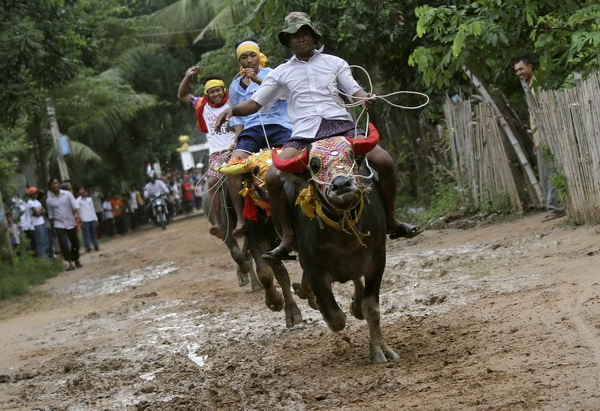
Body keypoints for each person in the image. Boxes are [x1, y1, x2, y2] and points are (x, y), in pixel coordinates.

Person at [216, 12, 419, 260]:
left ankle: (391, 221)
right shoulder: (280, 72)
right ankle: (288, 237)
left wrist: (365, 98)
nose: (300, 40)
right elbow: (255, 104)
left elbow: (354, 91)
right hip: (304, 135)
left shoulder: (335, 62)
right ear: (288, 41)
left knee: (384, 161)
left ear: (313, 36)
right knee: (272, 177)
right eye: (294, 36)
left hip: (342, 127)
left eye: (304, 34)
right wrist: (232, 110)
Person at [225, 38, 293, 237]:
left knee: (301, 156)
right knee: (232, 167)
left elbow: (282, 94)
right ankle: (240, 219)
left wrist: (256, 80)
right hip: (252, 130)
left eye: (252, 55)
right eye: (244, 57)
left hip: (280, 125)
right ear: (240, 60)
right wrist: (238, 139)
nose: (249, 60)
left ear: (259, 56)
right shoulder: (235, 85)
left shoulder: (272, 73)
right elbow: (238, 117)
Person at [178, 70, 237, 238]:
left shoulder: (235, 100)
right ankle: (218, 224)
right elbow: (182, 95)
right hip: (217, 154)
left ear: (224, 89)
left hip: (238, 147)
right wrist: (188, 76)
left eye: (218, 90)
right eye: (212, 91)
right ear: (207, 93)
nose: (216, 94)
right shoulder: (200, 104)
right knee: (211, 181)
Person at [514, 56, 566, 222]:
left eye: (521, 69)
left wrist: (543, 136)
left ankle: (556, 208)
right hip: (541, 135)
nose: (519, 73)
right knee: (547, 172)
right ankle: (557, 207)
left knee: (548, 172)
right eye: (516, 71)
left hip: (549, 132)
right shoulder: (528, 86)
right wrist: (536, 140)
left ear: (530, 66)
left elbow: (547, 111)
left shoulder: (540, 84)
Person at [46, 178, 82, 271]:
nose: (55, 185)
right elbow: (50, 214)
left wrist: (79, 216)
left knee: (75, 243)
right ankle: (70, 263)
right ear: (50, 187)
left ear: (59, 184)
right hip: (59, 224)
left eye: (56, 183)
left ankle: (76, 259)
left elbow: (75, 205)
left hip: (70, 221)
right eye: (52, 184)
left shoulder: (67, 194)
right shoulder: (49, 200)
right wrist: (53, 226)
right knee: (63, 243)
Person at [26, 187, 51, 258]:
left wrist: (40, 212)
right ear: (31, 194)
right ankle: (43, 257)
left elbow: (44, 210)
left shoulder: (37, 202)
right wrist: (40, 212)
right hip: (36, 224)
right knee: (40, 241)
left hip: (42, 222)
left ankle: (47, 256)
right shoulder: (30, 203)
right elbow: (36, 213)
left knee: (46, 241)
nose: (36, 194)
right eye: (35, 193)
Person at [76, 187, 100, 252]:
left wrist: (96, 218)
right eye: (80, 190)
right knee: (86, 234)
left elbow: (92, 209)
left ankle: (96, 246)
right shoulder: (78, 201)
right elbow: (78, 211)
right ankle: (88, 247)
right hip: (84, 219)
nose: (82, 191)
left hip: (91, 218)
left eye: (83, 189)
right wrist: (80, 219)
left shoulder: (89, 199)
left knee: (93, 233)